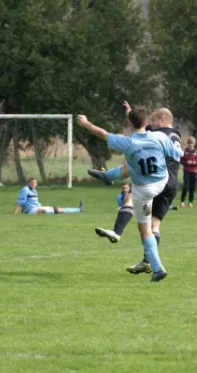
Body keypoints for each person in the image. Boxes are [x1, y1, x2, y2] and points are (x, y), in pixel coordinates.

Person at [77, 107, 183, 282]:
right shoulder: (160, 137)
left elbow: (103, 134)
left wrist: (86, 123)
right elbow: (177, 153)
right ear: (147, 123)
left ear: (129, 124)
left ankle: (158, 269)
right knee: (131, 168)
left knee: (145, 229)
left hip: (143, 191)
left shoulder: (127, 142)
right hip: (162, 182)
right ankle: (108, 176)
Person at [14, 177, 84, 215]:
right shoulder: (25, 190)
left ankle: (78, 209)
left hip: (37, 207)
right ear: (28, 183)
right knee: (43, 211)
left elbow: (28, 202)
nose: (34, 184)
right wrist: (15, 213)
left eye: (35, 183)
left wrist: (22, 211)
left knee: (59, 209)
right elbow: (20, 202)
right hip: (31, 210)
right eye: (32, 183)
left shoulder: (34, 190)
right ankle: (55, 212)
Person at [179, 136, 197, 208]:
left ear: (194, 144)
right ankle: (182, 202)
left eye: (192, 143)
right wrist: (186, 162)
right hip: (186, 170)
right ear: (187, 143)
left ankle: (190, 202)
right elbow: (181, 160)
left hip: (194, 171)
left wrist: (193, 162)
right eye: (189, 143)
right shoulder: (184, 151)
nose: (190, 145)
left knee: (192, 187)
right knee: (185, 186)